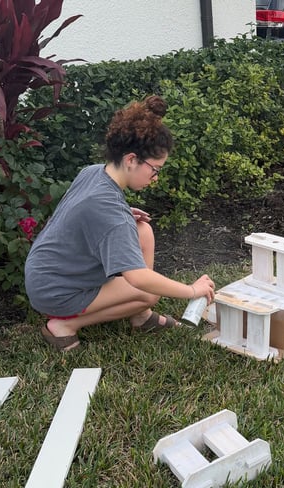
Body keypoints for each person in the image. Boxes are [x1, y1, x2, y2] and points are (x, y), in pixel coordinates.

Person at [24, 95, 215, 351]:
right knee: (148, 292)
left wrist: (124, 213)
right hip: (55, 290)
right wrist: (191, 290)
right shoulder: (109, 211)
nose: (155, 178)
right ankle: (63, 327)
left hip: (47, 272)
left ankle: (141, 316)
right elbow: (138, 278)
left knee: (142, 230)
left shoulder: (93, 172)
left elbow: (83, 213)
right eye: (155, 170)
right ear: (131, 160)